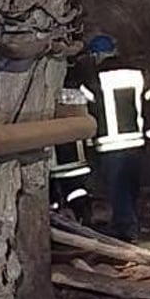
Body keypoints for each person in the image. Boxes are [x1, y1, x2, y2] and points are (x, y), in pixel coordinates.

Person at [82, 34, 150, 243]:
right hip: (136, 141)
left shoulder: (94, 79)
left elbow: (88, 110)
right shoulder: (138, 73)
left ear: (97, 55)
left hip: (109, 145)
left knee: (118, 189)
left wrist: (89, 143)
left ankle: (127, 231)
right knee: (131, 187)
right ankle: (129, 223)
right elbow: (148, 103)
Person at [48, 60, 98, 226]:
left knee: (54, 200)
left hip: (54, 162)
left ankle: (60, 227)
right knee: (77, 193)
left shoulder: (44, 96)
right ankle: (84, 222)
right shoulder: (77, 93)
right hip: (76, 158)